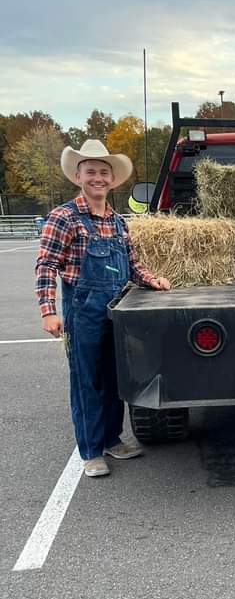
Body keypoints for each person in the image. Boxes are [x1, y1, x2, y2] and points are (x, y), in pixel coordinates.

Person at [35, 139, 171, 478]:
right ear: (78, 176)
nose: (97, 177)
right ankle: (92, 451)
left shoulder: (118, 221)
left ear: (112, 179)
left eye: (103, 172)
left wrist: (151, 280)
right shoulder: (63, 218)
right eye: (91, 171)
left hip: (117, 309)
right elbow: (46, 265)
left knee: (115, 377)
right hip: (83, 311)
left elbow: (131, 265)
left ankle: (113, 439)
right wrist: (48, 310)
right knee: (87, 381)